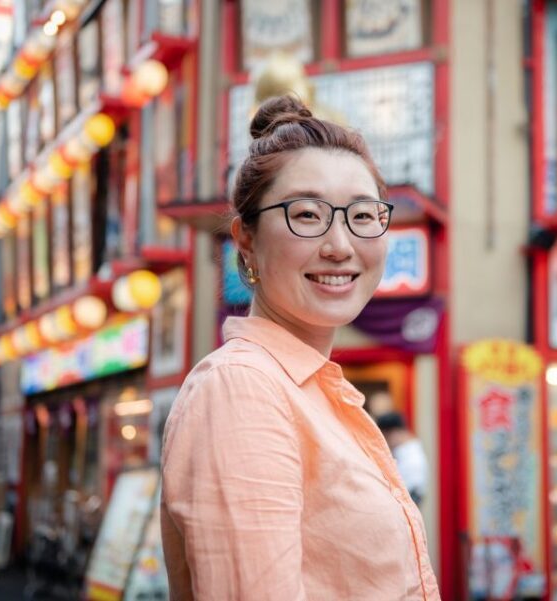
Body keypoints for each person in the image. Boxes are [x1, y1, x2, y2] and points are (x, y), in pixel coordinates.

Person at [160, 95, 439, 600]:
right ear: (247, 240)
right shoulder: (241, 389)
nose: (340, 245)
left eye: (362, 215)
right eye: (307, 215)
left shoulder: (318, 393)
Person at [376, 411, 429, 507]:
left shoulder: (410, 457)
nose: (385, 442)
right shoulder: (406, 450)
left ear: (394, 432)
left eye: (385, 436)